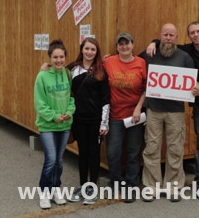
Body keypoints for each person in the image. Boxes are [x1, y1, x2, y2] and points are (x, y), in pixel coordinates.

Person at [146, 21, 199, 196]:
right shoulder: (162, 52)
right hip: (170, 109)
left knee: (192, 149)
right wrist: (153, 42)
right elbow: (135, 59)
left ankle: (191, 186)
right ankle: (158, 187)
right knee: (156, 149)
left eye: (198, 31)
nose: (168, 38)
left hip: (195, 110)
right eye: (165, 35)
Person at [140, 23, 199, 202]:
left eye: (171, 35)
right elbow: (131, 61)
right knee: (152, 148)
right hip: (153, 109)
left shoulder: (185, 57)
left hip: (175, 111)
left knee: (175, 149)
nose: (168, 38)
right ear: (160, 36)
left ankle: (173, 187)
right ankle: (152, 187)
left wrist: (197, 89)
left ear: (176, 37)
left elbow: (193, 82)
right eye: (165, 35)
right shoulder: (150, 53)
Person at [65, 37, 110, 205]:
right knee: (82, 154)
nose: (90, 52)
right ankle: (82, 186)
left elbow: (106, 99)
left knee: (94, 154)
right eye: (87, 48)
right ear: (82, 49)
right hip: (79, 119)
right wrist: (45, 67)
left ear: (96, 52)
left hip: (95, 120)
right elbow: (56, 75)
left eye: (93, 49)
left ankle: (92, 187)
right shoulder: (72, 69)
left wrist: (104, 123)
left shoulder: (101, 72)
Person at [103, 32, 147, 203]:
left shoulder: (141, 63)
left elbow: (146, 88)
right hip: (114, 115)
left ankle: (131, 185)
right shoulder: (108, 61)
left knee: (133, 152)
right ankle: (116, 183)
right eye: (120, 44)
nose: (124, 47)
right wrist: (47, 66)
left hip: (135, 116)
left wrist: (138, 108)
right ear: (117, 47)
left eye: (127, 43)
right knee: (113, 152)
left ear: (132, 44)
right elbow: (84, 65)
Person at [34, 39, 76, 210]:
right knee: (50, 159)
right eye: (55, 57)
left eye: (61, 57)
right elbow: (40, 103)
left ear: (65, 57)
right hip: (48, 125)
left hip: (64, 125)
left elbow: (72, 97)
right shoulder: (42, 76)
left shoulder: (67, 74)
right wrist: (55, 116)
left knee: (59, 160)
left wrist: (69, 112)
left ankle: (55, 189)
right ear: (49, 58)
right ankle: (44, 193)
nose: (59, 60)